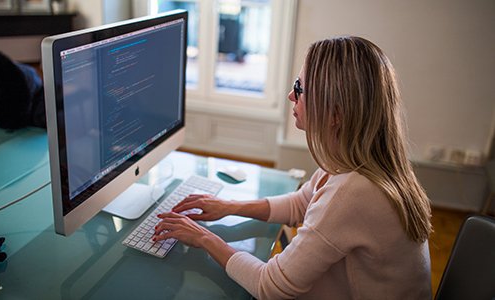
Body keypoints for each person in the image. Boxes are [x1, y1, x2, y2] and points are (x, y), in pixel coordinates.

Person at [153, 36, 432, 299]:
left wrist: (202, 236)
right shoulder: (360, 161)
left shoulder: (355, 191)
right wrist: (230, 206)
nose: (290, 95)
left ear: (335, 114)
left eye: (299, 88)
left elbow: (269, 286)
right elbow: (301, 203)